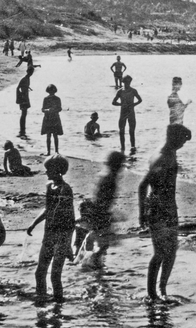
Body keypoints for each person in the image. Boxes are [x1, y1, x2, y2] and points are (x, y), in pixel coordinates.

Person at [139, 124, 191, 301]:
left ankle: (161, 289)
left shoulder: (168, 152)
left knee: (171, 251)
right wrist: (142, 213)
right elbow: (143, 185)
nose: (183, 145)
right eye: (182, 141)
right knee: (161, 252)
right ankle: (153, 293)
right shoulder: (162, 158)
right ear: (174, 138)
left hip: (167, 208)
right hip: (160, 209)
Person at [26, 155, 74, 301]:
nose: (46, 173)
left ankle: (58, 304)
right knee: (40, 271)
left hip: (62, 234)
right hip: (50, 233)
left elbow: (65, 215)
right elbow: (48, 209)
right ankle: (41, 298)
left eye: (48, 169)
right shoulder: (50, 187)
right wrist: (34, 223)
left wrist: (68, 245)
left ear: (58, 170)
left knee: (55, 274)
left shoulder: (65, 189)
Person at [73, 150, 125, 265]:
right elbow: (103, 198)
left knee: (100, 238)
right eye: (121, 165)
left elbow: (99, 196)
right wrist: (107, 213)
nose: (122, 168)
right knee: (103, 240)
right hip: (101, 212)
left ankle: (87, 257)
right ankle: (91, 260)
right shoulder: (110, 179)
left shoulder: (105, 175)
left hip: (97, 210)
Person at [112, 74, 143, 153]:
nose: (127, 83)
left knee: (131, 131)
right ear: (123, 82)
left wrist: (134, 104)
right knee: (121, 131)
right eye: (126, 82)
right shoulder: (120, 91)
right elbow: (113, 102)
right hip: (123, 112)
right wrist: (121, 104)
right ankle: (122, 147)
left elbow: (140, 100)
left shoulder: (133, 90)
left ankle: (132, 146)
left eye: (129, 82)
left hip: (131, 112)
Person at [41, 84, 63, 155]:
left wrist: (54, 110)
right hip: (48, 118)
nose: (51, 92)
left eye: (53, 90)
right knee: (48, 135)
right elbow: (43, 109)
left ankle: (56, 151)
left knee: (55, 135)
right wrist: (48, 110)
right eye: (50, 90)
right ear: (48, 91)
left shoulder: (57, 99)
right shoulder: (45, 99)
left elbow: (60, 108)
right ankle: (48, 151)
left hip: (55, 118)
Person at [16, 67, 33, 136]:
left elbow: (23, 86)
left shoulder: (27, 78)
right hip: (23, 98)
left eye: (31, 72)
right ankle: (22, 129)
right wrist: (23, 99)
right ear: (27, 71)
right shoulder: (25, 79)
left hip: (25, 97)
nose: (31, 73)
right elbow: (20, 88)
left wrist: (28, 88)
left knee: (24, 114)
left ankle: (23, 129)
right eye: (30, 72)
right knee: (23, 114)